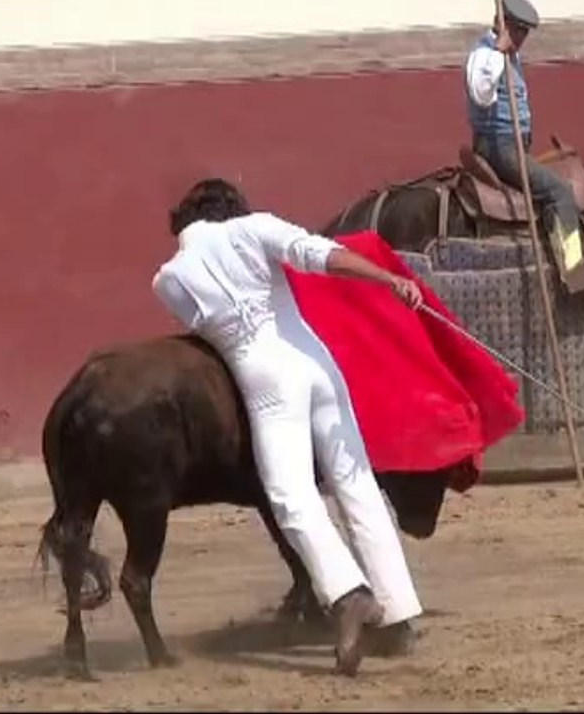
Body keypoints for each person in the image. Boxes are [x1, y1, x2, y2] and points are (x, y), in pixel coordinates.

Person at [150, 178, 425, 676]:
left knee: (291, 495)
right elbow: (323, 255)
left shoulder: (170, 277)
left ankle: (347, 593)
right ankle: (399, 610)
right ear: (230, 210)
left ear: (185, 222)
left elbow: (206, 337)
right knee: (355, 483)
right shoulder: (257, 227)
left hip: (266, 381)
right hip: (319, 365)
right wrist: (390, 281)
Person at [463, 0, 584, 291]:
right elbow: (481, 94)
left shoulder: (511, 55)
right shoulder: (484, 54)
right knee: (559, 192)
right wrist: (499, 53)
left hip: (514, 145)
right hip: (499, 146)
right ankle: (573, 267)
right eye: (517, 29)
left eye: (525, 31)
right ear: (501, 23)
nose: (522, 37)